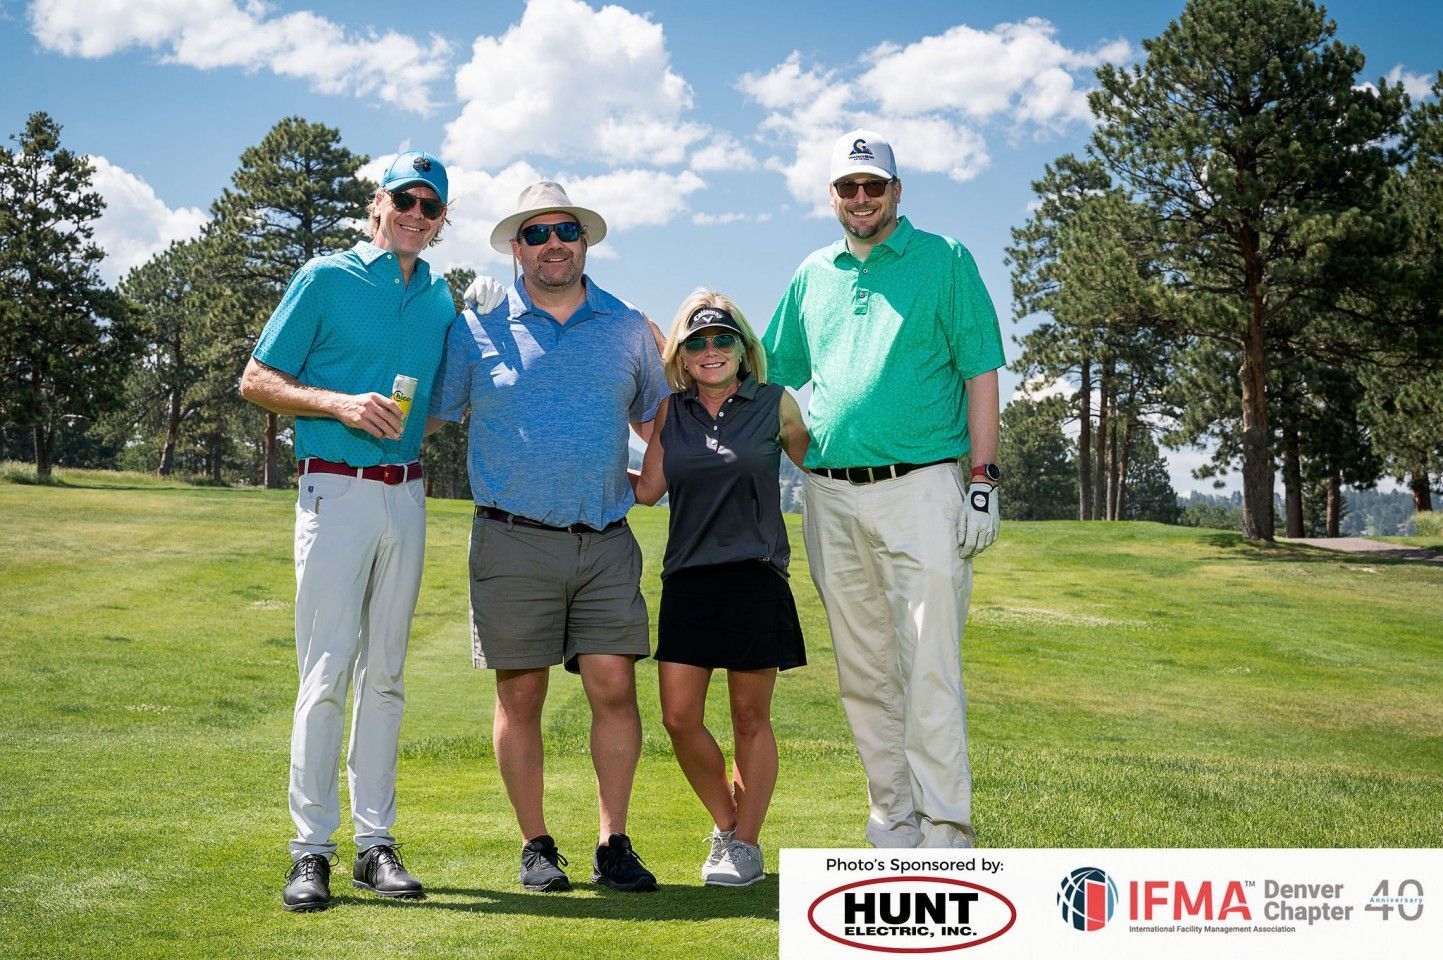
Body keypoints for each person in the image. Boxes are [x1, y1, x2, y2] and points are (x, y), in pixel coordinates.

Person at [761, 129, 1005, 849]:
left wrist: (983, 479)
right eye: (847, 187)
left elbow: (980, 372)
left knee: (928, 660)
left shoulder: (944, 260)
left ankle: (945, 823)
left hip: (921, 486)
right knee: (863, 667)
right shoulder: (814, 273)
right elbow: (767, 374)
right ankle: (891, 817)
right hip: (829, 496)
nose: (860, 199)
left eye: (873, 186)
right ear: (832, 195)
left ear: (897, 191)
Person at [427, 181, 668, 893]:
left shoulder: (626, 327)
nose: (553, 243)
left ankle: (612, 843)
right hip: (511, 540)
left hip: (604, 540)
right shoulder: (475, 330)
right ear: (514, 247)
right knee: (520, 693)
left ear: (584, 242)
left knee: (613, 686)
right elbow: (432, 418)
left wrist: (649, 482)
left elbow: (658, 417)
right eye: (536, 233)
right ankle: (535, 845)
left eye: (566, 230)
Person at [240, 151, 455, 911]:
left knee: (387, 677)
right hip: (333, 490)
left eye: (430, 208)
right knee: (327, 673)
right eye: (406, 199)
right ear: (377, 203)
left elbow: (439, 403)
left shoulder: (438, 297)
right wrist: (337, 404)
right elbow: (257, 378)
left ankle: (376, 846)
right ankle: (310, 851)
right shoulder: (325, 277)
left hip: (407, 496)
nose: (415, 215)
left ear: (439, 223)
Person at [630, 290, 810, 887]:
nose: (711, 351)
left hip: (755, 576)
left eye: (722, 340)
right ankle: (728, 825)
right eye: (697, 342)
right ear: (682, 354)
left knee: (749, 718)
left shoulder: (775, 404)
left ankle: (746, 846)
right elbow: (648, 489)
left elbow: (823, 466)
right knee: (679, 718)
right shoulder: (669, 413)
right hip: (688, 579)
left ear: (742, 348)